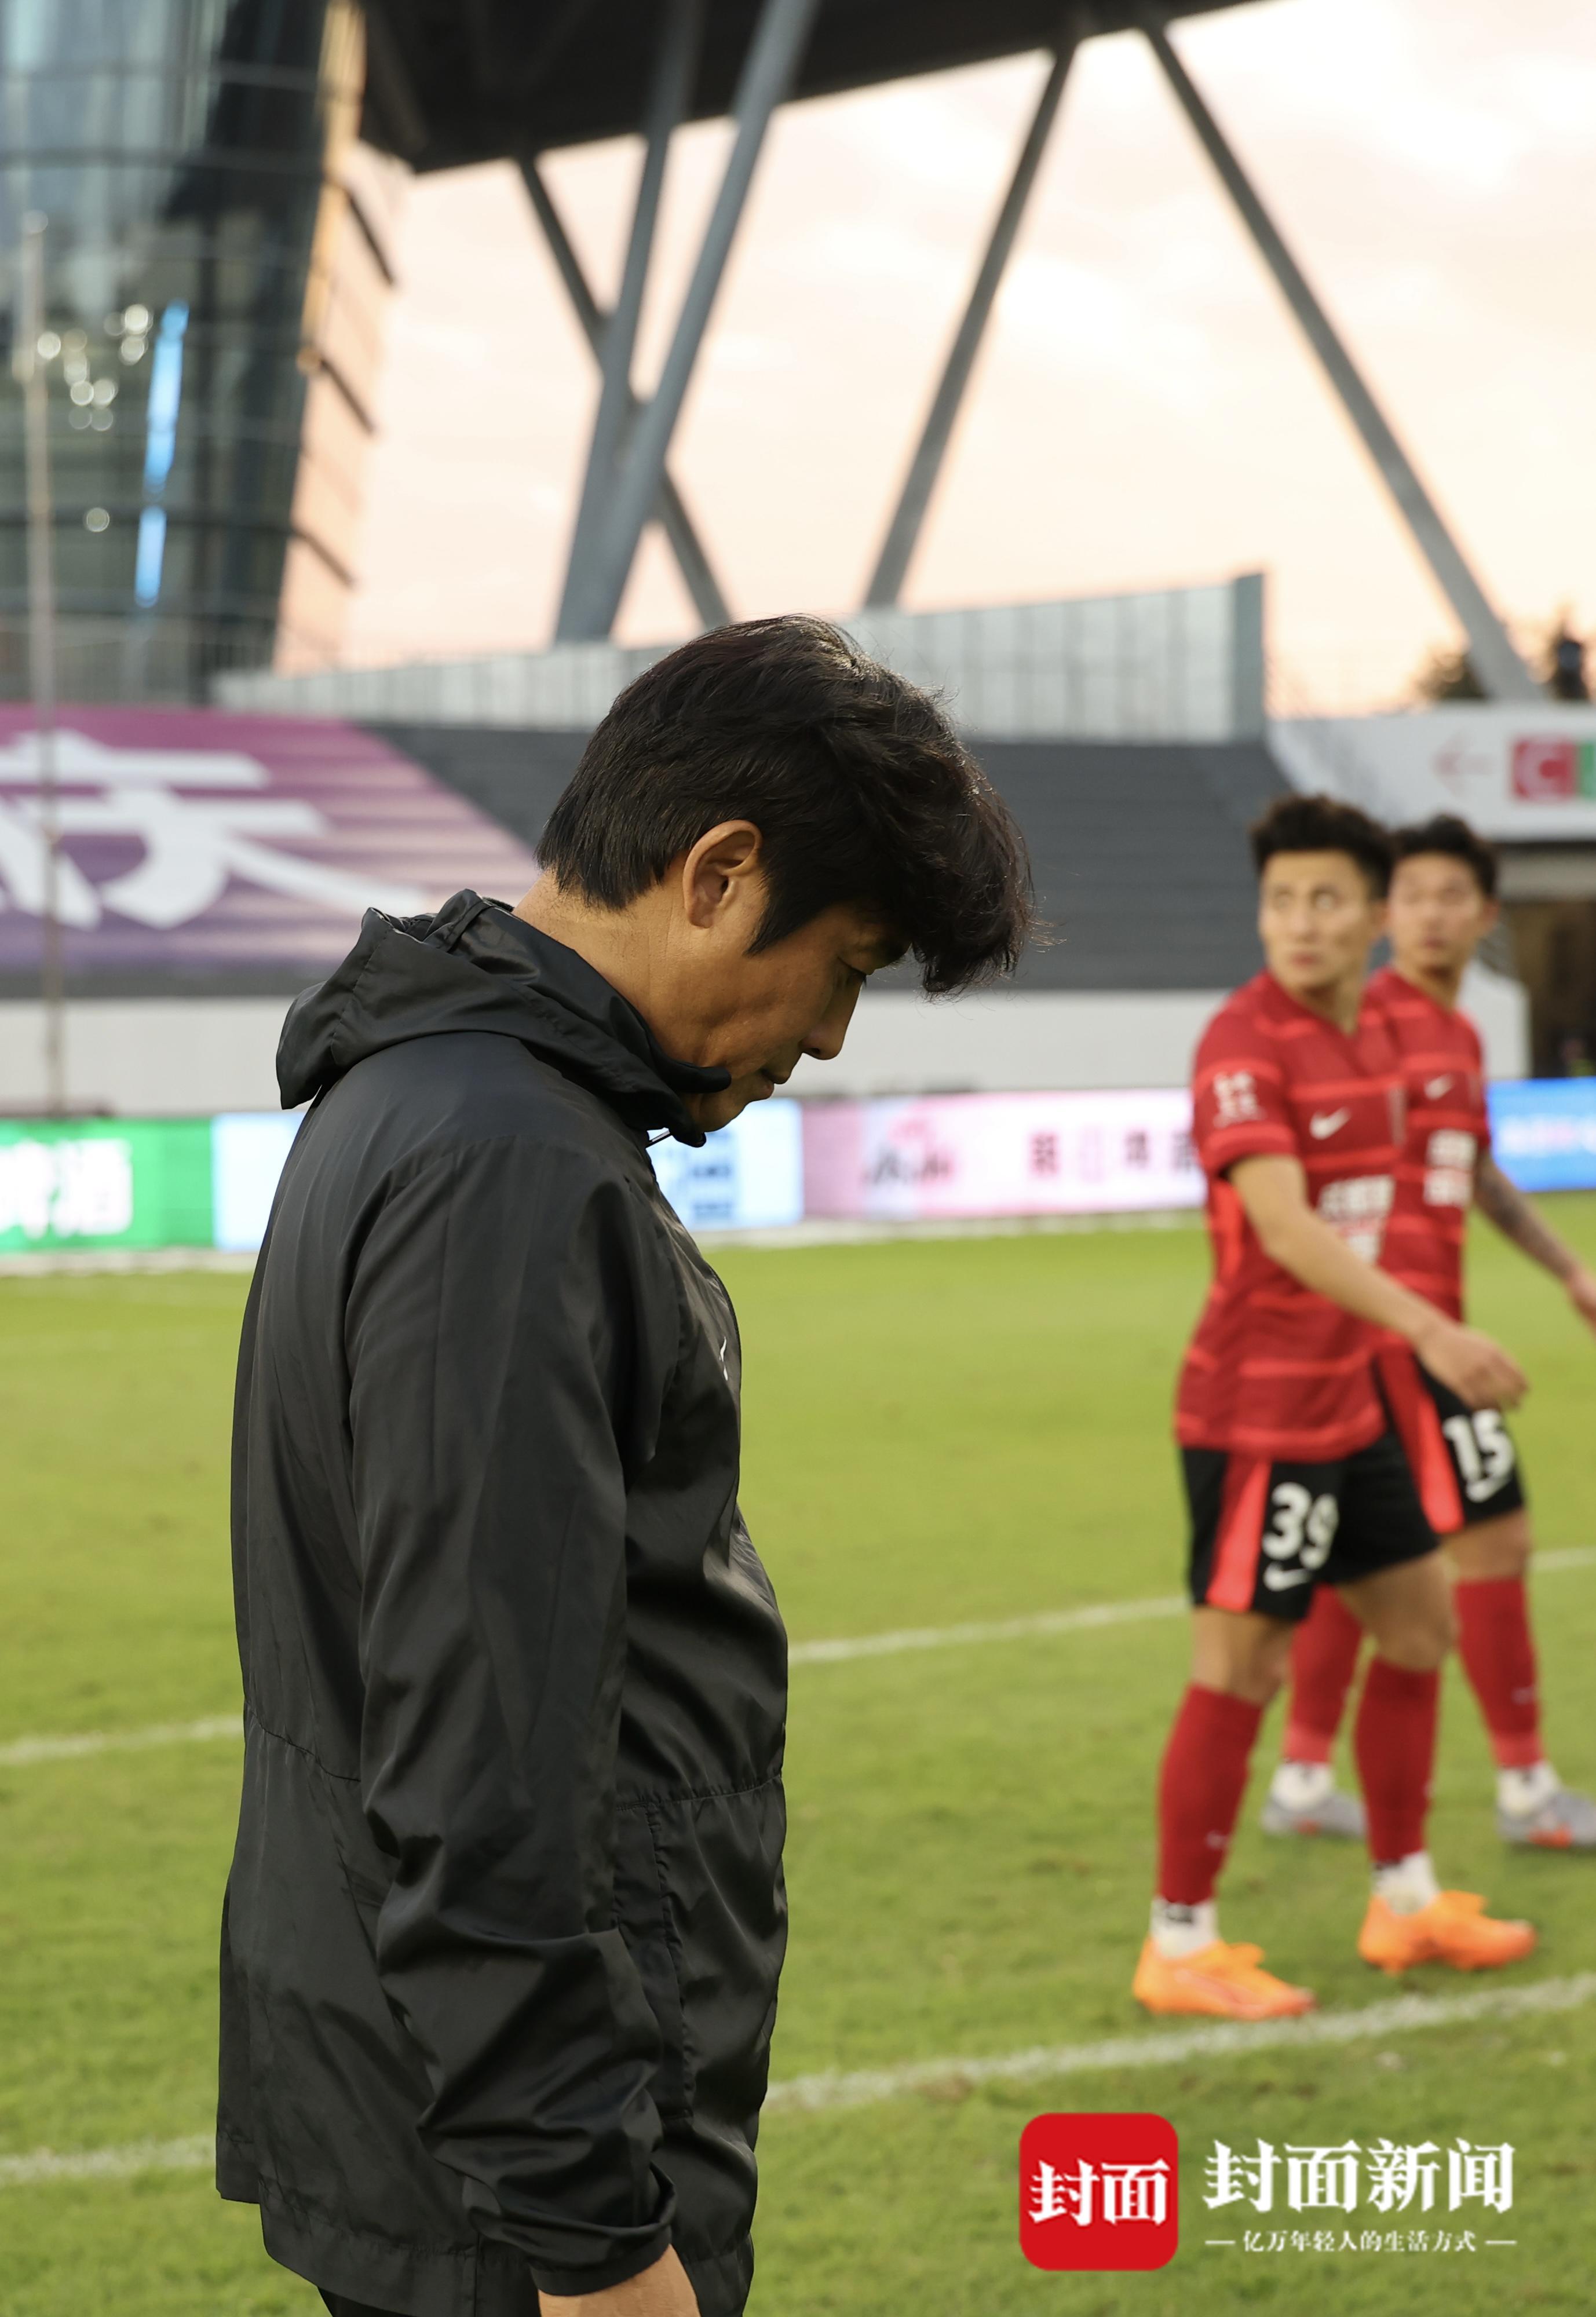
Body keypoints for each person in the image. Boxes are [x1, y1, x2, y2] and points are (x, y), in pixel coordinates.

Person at [217, 617, 1032, 2317]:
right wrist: (593, 2242)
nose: (830, 1038)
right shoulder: (509, 1165)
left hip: (450, 2142)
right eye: (850, 966)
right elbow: (479, 1762)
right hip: (517, 2206)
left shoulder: (441, 1094)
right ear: (720, 875)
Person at [1134, 793, 1536, 2025]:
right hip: (1258, 1414)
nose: (1300, 922)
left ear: (1372, 918)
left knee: (1417, 1627)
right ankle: (1179, 1940)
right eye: (1280, 901)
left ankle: (1404, 1896)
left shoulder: (1380, 1043)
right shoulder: (1243, 1040)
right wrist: (1433, 1329)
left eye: (1325, 900)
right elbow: (1284, 1225)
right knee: (1240, 1668)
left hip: (1352, 1401)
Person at [1265, 813, 1596, 1851]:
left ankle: (1303, 1775)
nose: (1433, 915)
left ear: (1486, 913)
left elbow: (1477, 1172)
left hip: (1416, 1330)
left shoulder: (1456, 1034)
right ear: (1383, 914)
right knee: (1495, 1538)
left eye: (1454, 897)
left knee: (1368, 1558)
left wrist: (1568, 1269)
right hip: (1393, 1337)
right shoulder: (1366, 1021)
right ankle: (1527, 1788)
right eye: (1413, 897)